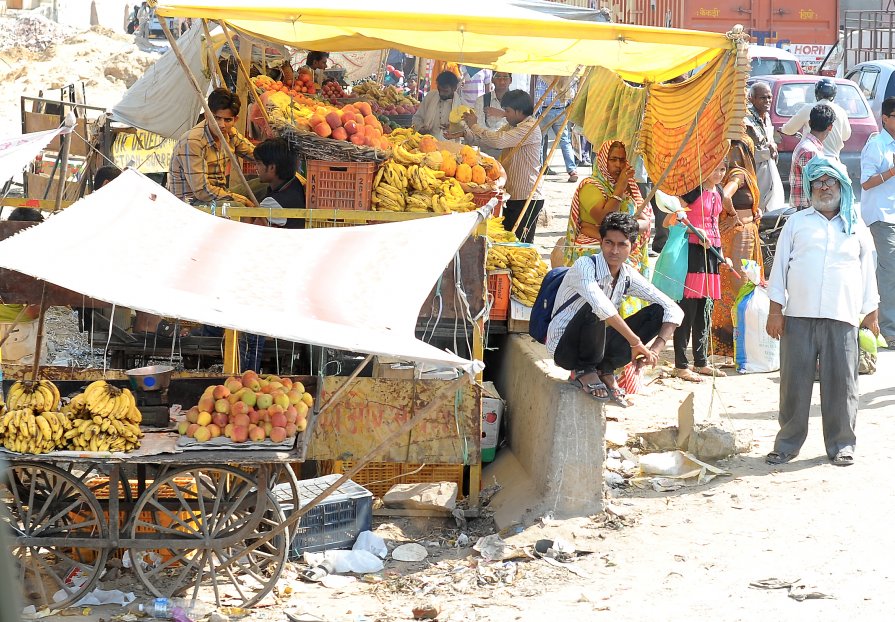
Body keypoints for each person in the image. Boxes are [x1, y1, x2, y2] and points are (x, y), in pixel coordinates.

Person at [765, 156, 879, 467]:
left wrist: (871, 311)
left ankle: (842, 444)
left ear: (842, 185)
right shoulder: (797, 222)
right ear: (811, 187)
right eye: (818, 182)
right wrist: (775, 311)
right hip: (798, 315)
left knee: (842, 384)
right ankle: (787, 445)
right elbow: (779, 270)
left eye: (830, 181)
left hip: (842, 315)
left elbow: (868, 269)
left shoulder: (856, 226)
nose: (824, 186)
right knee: (793, 384)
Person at [547, 212, 683, 407]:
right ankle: (584, 370)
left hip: (596, 345)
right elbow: (602, 307)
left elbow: (673, 308)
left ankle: (604, 369)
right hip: (565, 348)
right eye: (609, 243)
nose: (614, 251)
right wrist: (635, 342)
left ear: (632, 247)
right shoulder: (584, 266)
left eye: (622, 245)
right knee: (596, 308)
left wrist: (654, 350)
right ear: (601, 242)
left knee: (658, 311)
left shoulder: (627, 274)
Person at [562, 140, 651, 317]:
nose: (618, 165)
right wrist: (618, 190)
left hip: (623, 246)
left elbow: (646, 223)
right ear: (603, 160)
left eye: (622, 160)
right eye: (613, 160)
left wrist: (624, 230)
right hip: (592, 247)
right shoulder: (590, 185)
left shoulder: (630, 187)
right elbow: (603, 218)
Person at [668, 159, 728, 382]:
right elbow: (672, 217)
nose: (719, 173)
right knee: (688, 308)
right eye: (715, 167)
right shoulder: (692, 190)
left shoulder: (718, 191)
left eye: (723, 169)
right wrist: (694, 229)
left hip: (713, 251)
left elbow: (718, 220)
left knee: (706, 308)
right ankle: (681, 364)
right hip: (692, 250)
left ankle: (701, 361)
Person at [463, 90, 543, 243]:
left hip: (526, 196)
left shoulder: (529, 128)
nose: (505, 115)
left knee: (519, 244)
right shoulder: (511, 126)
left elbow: (499, 140)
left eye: (507, 111)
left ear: (519, 111)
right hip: (511, 193)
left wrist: (475, 126)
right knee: (506, 240)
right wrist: (467, 134)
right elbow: (489, 143)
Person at [711, 137, 764, 357]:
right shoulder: (738, 174)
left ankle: (732, 340)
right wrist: (734, 215)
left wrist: (753, 212)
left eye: (736, 151)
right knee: (738, 284)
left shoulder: (736, 173)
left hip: (739, 232)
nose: (732, 155)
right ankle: (735, 341)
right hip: (739, 234)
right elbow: (724, 195)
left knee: (734, 284)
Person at [168, 87, 256, 206]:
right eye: (216, 118)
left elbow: (257, 155)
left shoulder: (230, 133)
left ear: (235, 120)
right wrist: (241, 200)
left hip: (218, 195)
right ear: (207, 115)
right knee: (239, 207)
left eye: (227, 120)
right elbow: (202, 191)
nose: (221, 125)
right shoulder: (193, 141)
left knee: (262, 186)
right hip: (192, 204)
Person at [859, 96, 895, 345]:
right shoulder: (876, 145)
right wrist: (891, 171)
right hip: (882, 215)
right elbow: (866, 182)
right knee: (890, 269)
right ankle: (888, 329)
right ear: (885, 118)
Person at [0, 208, 48, 365]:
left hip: (7, 332)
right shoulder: (27, 260)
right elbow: (32, 310)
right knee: (26, 386)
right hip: (19, 332)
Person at [781, 79, 851, 160]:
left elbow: (789, 129)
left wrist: (782, 129)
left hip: (811, 159)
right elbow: (846, 136)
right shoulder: (841, 111)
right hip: (833, 161)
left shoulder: (809, 108)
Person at [745, 82, 784, 213]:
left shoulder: (766, 117)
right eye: (763, 98)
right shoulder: (747, 120)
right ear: (752, 98)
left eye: (769, 97)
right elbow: (749, 151)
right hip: (756, 169)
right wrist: (769, 150)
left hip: (769, 166)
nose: (767, 101)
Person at [789, 104, 834, 210]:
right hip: (805, 208)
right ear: (830, 127)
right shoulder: (810, 151)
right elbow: (815, 185)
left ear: (809, 123)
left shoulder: (807, 146)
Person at [254, 138, 306, 228]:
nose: (256, 167)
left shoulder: (272, 204)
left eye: (258, 163)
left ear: (272, 168)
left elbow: (253, 234)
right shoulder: (295, 182)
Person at [535, 75, 578, 183]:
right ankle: (572, 170)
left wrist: (537, 114)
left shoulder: (544, 77)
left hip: (546, 111)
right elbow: (572, 94)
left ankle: (539, 168)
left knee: (539, 141)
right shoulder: (568, 77)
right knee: (565, 141)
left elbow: (539, 96)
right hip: (561, 111)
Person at [466, 71, 512, 158]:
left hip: (508, 153)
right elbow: (478, 127)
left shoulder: (516, 102)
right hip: (485, 153)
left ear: (511, 80)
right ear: (492, 80)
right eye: (498, 77)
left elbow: (514, 129)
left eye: (505, 77)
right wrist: (496, 138)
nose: (502, 81)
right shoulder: (482, 100)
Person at [412, 71, 461, 142]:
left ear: (454, 88)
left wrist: (454, 128)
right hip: (427, 143)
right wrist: (420, 129)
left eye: (445, 91)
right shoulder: (430, 96)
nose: (441, 93)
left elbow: (465, 131)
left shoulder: (461, 104)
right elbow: (417, 118)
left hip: (449, 147)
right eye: (439, 89)